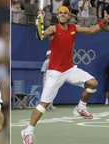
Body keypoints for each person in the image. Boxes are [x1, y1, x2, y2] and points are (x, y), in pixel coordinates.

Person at [21, 5, 109, 144]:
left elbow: (92, 30)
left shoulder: (73, 28)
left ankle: (81, 107)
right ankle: (28, 130)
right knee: (43, 104)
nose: (62, 15)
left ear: (68, 16)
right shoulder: (53, 29)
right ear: (57, 16)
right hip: (55, 72)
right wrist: (39, 21)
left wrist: (104, 21)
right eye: (60, 13)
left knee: (93, 83)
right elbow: (41, 36)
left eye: (65, 13)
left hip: (70, 69)